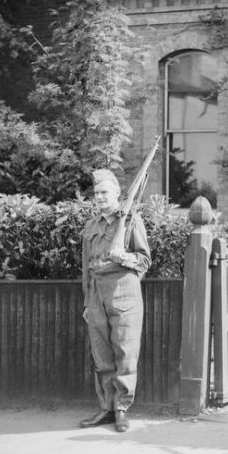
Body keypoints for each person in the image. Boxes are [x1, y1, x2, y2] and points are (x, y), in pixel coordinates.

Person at [79, 169, 151, 433]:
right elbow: (86, 267)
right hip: (97, 293)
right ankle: (106, 408)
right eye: (96, 193)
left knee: (125, 353)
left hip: (123, 292)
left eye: (104, 192)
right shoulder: (92, 226)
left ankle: (121, 409)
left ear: (118, 193)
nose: (99, 197)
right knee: (102, 356)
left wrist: (124, 257)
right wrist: (88, 302)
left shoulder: (131, 221)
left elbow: (145, 260)